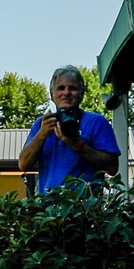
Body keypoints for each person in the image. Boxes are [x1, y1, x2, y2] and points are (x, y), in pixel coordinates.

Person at [18, 65, 120, 193]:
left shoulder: (96, 122)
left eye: (72, 88)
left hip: (85, 207)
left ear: (82, 94)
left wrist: (78, 145)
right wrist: (42, 134)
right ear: (52, 95)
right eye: (61, 88)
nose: (66, 93)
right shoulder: (42, 124)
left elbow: (113, 167)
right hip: (48, 207)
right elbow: (23, 165)